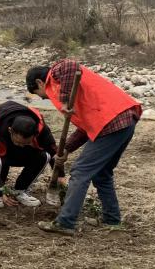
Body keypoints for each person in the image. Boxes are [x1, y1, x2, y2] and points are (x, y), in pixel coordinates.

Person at [26, 61, 142, 236]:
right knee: (102, 173)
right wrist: (67, 149)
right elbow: (86, 126)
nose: (45, 98)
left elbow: (70, 65)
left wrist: (64, 100)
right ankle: (112, 220)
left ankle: (65, 222)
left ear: (39, 82)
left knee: (80, 171)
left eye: (40, 95)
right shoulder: (72, 89)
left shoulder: (56, 74)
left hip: (112, 122)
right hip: (121, 121)